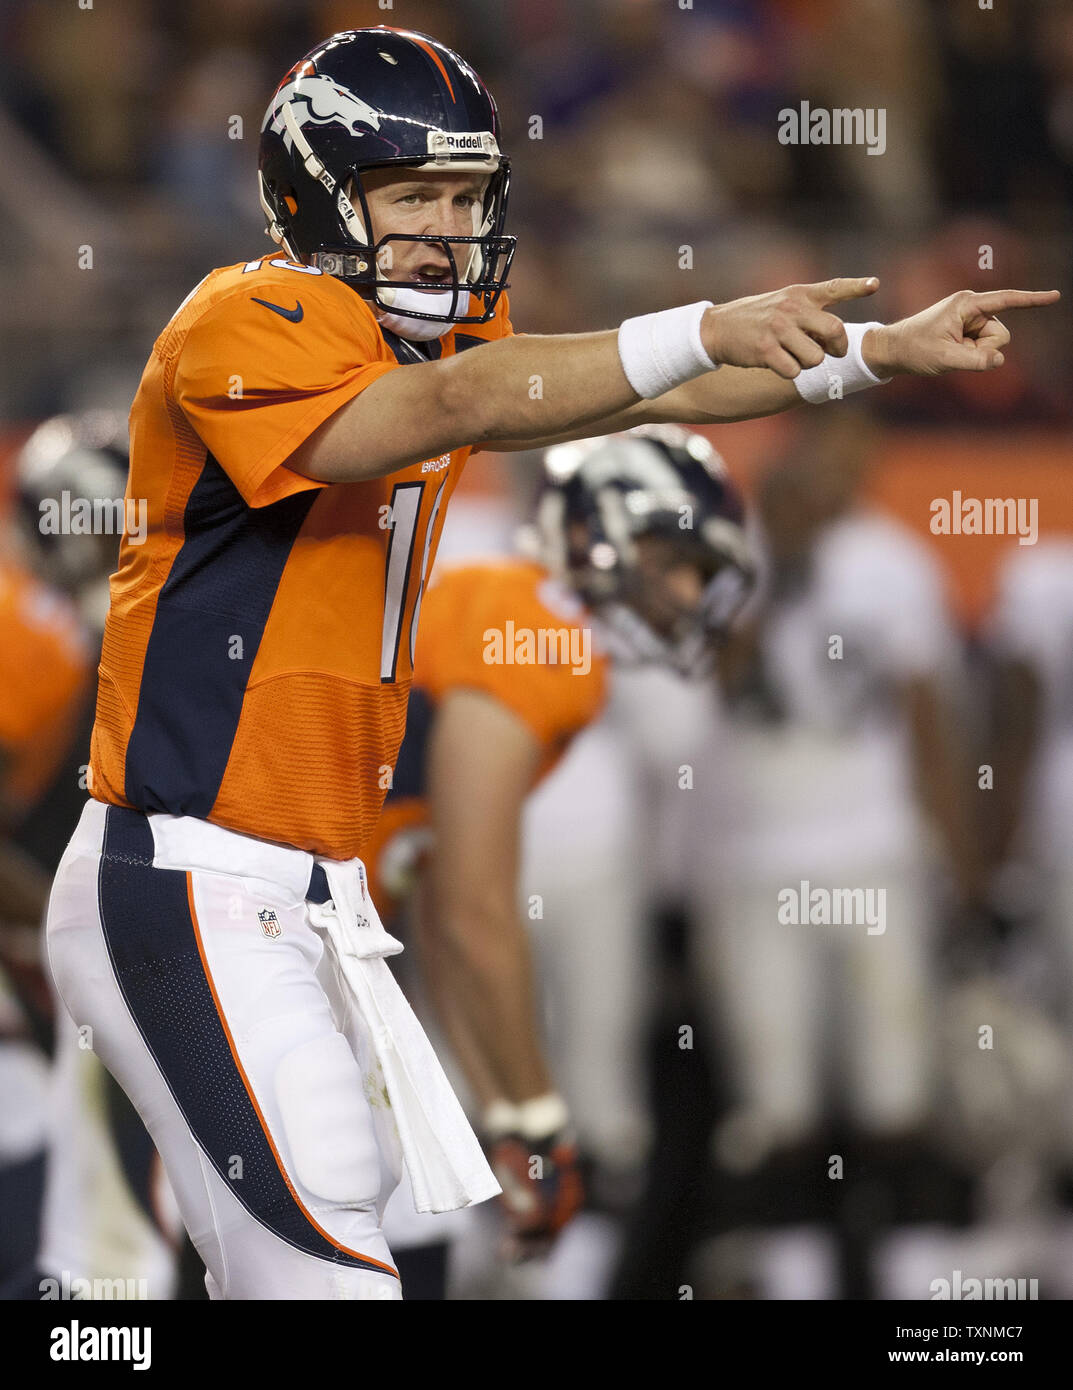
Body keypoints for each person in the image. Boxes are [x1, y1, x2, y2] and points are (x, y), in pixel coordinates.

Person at [42, 24, 1060, 1301]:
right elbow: (463, 404)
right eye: (414, 195)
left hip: (303, 892)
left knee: (331, 1258)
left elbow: (654, 397)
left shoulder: (432, 347)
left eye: (466, 198)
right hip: (192, 868)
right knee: (321, 1276)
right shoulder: (252, 314)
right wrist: (692, 318)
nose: (446, 230)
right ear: (316, 191)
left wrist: (872, 354)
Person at [366, 425, 753, 1294]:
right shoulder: (539, 630)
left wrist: (508, 1105)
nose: (692, 589)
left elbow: (435, 894)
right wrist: (540, 1121)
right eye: (677, 556)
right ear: (603, 532)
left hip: (288, 908)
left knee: (384, 1188)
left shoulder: (531, 619)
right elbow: (474, 907)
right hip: (239, 901)